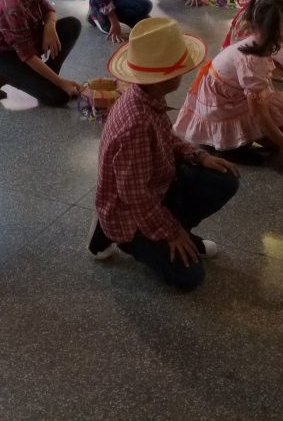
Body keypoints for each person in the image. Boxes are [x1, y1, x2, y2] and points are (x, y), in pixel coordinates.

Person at [88, 17, 239, 292]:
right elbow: (134, 196)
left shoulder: (147, 96)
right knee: (189, 277)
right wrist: (171, 232)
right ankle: (117, 234)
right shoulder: (135, 124)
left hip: (156, 184)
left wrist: (199, 156)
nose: (184, 73)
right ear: (164, 78)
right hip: (129, 211)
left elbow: (166, 138)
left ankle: (172, 229)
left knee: (224, 179)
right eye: (181, 69)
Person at [174, 0, 283, 156]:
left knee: (277, 134)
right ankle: (227, 147)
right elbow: (259, 115)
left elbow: (261, 101)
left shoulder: (261, 41)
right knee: (274, 144)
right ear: (281, 29)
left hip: (230, 93)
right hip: (220, 104)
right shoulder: (253, 61)